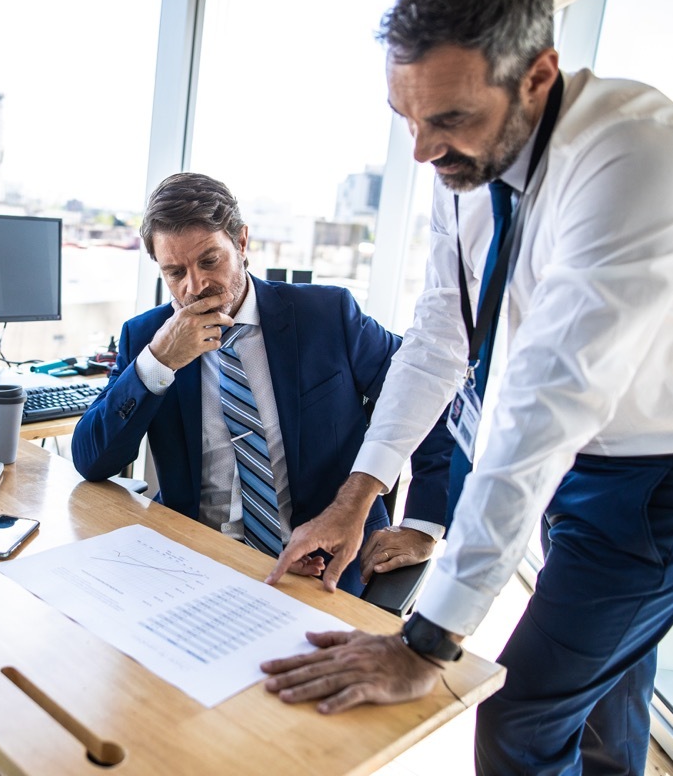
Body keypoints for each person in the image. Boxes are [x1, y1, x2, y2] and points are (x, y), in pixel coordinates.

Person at [261, 0, 673, 773]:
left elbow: (550, 397)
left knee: (521, 716)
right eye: (406, 118)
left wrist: (428, 641)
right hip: (569, 457)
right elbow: (443, 333)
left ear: (538, 76)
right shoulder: (474, 161)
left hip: (668, 480)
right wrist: (357, 496)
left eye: (447, 119)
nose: (421, 150)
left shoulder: (641, 162)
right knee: (604, 673)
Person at [71, 172, 452, 596]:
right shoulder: (147, 338)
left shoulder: (328, 315)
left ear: (242, 242)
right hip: (198, 565)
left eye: (210, 261)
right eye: (175, 272)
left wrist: (423, 525)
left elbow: (428, 397)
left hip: (328, 569)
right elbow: (92, 460)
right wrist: (158, 363)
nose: (194, 287)